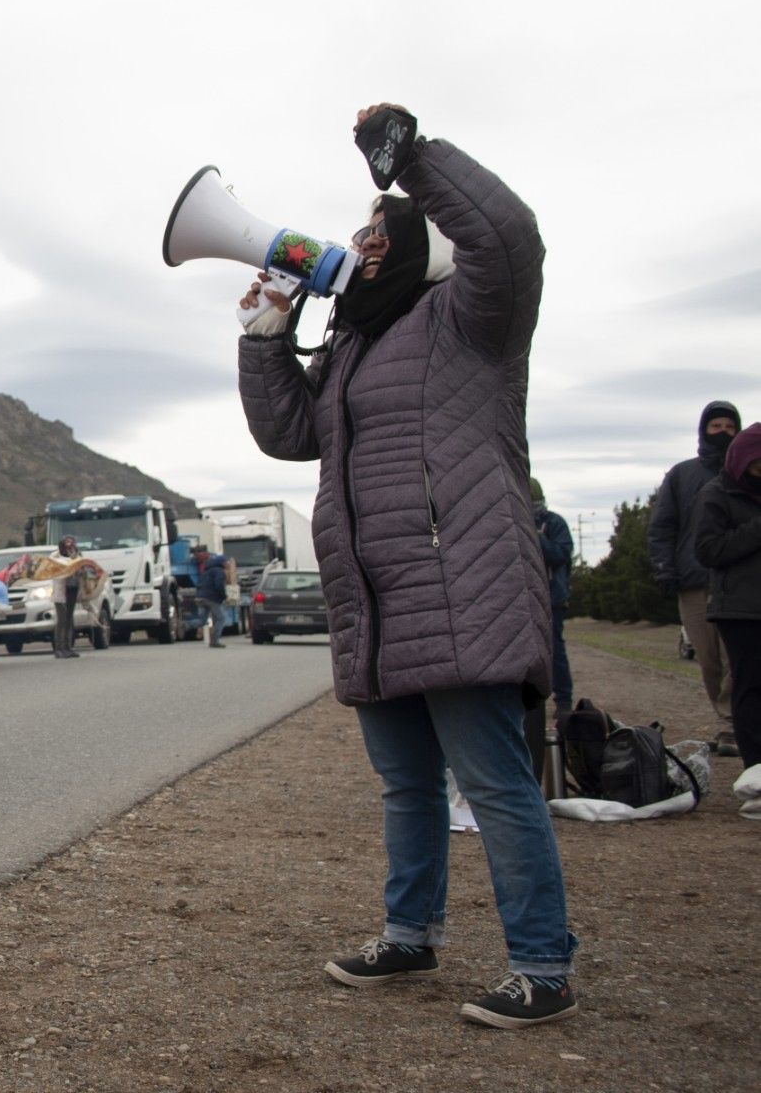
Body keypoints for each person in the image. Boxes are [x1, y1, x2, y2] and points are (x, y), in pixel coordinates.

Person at [237, 104, 577, 1028]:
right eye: (357, 233)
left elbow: (508, 235)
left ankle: (541, 965)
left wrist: (409, 159)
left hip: (457, 584)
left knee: (497, 787)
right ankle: (409, 935)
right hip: (376, 600)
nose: (359, 246)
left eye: (376, 232)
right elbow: (288, 434)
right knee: (406, 785)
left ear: (422, 245)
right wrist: (266, 333)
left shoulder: (471, 319)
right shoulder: (350, 342)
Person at [650, 401, 744, 753]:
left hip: (737, 579)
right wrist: (664, 568)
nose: (723, 432)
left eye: (729, 426)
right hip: (693, 580)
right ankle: (725, 717)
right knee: (707, 658)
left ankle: (733, 724)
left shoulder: (747, 472)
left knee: (737, 654)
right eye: (716, 426)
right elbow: (662, 527)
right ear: (704, 430)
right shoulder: (681, 475)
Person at [695, 422, 761, 819]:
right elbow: (708, 549)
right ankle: (755, 773)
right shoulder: (717, 494)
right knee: (751, 687)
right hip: (740, 609)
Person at [531, 480, 575, 715]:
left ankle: (564, 701)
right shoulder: (509, 520)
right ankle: (531, 704)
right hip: (525, 598)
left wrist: (539, 538)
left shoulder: (555, 523)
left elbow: (562, 555)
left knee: (555, 650)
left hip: (552, 598)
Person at [51, 535, 86, 659]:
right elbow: (56, 570)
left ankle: (68, 647)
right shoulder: (55, 557)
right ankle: (59, 648)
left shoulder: (77, 555)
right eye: (67, 545)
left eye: (71, 545)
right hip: (60, 591)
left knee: (69, 619)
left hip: (72, 588)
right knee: (62, 620)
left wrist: (82, 589)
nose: (69, 547)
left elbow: (82, 571)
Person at [192, 544, 231, 649]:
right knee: (221, 619)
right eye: (226, 561)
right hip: (211, 598)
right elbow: (218, 585)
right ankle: (214, 641)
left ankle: (185, 625)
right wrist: (224, 596)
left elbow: (199, 584)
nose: (227, 563)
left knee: (202, 621)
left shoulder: (206, 571)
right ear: (222, 562)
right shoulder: (219, 571)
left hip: (200, 597)